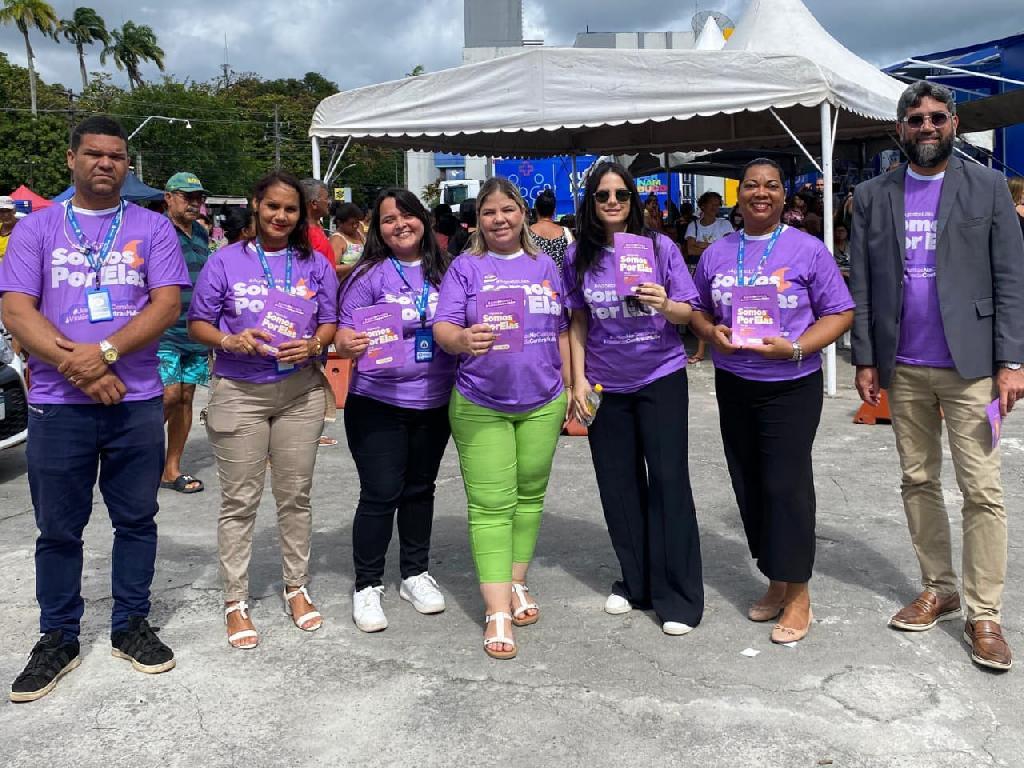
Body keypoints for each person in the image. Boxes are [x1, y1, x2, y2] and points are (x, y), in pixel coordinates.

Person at [1, 116, 188, 702]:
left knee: (136, 519)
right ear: (71, 159)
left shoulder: (152, 227)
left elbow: (165, 304)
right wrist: (76, 366)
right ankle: (58, 636)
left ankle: (131, 624)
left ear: (127, 164)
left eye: (116, 156)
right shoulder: (37, 228)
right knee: (58, 529)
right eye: (93, 154)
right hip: (59, 405)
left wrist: (103, 354)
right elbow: (16, 310)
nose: (105, 163)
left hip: (134, 401)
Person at [851, 81, 1024, 671]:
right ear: (900, 128)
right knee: (918, 479)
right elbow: (864, 282)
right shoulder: (872, 195)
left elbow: (1011, 278)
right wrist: (866, 357)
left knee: (983, 490)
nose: (926, 127)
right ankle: (939, 588)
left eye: (936, 117)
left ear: (955, 124)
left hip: (972, 368)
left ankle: (985, 613)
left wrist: (1012, 362)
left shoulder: (988, 186)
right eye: (915, 119)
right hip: (903, 367)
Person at [689, 157, 854, 645]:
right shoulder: (718, 252)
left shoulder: (808, 249)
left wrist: (798, 347)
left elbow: (840, 311)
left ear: (785, 196)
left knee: (786, 486)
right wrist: (710, 332)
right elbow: (697, 309)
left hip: (790, 385)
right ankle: (776, 578)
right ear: (739, 195)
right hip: (735, 382)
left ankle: (799, 592)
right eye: (752, 186)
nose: (761, 193)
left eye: (772, 186)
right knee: (750, 482)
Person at [187, 170, 339, 649]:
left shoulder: (315, 262)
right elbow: (197, 323)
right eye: (273, 206)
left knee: (295, 497)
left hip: (299, 392)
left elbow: (330, 322)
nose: (281, 216)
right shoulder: (225, 261)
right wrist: (229, 339)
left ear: (301, 214)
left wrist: (314, 344)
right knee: (240, 502)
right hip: (240, 391)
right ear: (256, 204)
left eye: (290, 209)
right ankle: (235, 600)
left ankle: (297, 587)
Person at [563, 160, 703, 637]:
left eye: (620, 194)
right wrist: (577, 382)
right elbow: (578, 321)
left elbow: (687, 314)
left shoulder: (660, 247)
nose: (612, 202)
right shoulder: (578, 254)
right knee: (618, 487)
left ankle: (678, 595)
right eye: (602, 195)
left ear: (633, 200)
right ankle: (636, 582)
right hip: (605, 386)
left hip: (660, 377)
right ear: (591, 202)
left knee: (668, 483)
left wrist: (664, 302)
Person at [433, 177, 570, 660]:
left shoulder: (546, 265)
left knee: (529, 496)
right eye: (489, 212)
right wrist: (461, 340)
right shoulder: (465, 267)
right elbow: (443, 326)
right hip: (481, 401)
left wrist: (570, 386)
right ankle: (496, 611)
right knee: (491, 505)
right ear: (478, 220)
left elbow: (564, 328)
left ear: (522, 213)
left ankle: (516, 582)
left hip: (543, 399)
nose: (499, 219)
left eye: (508, 209)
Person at [335, 188, 456, 632]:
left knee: (420, 489)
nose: (400, 225)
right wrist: (346, 342)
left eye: (407, 215)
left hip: (435, 400)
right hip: (377, 401)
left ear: (423, 219)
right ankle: (367, 584)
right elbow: (342, 333)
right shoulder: (368, 275)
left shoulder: (448, 270)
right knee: (381, 492)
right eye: (389, 219)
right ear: (378, 229)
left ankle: (414, 573)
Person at [157, 172, 211, 494]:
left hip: (195, 331)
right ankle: (137, 459)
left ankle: (171, 468)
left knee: (186, 397)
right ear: (168, 197)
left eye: (198, 198)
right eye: (187, 196)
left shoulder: (202, 233)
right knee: (168, 395)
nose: (194, 203)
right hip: (162, 331)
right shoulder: (156, 230)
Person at [529, 188, 574, 268]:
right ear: (554, 210)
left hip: (536, 276)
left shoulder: (527, 233)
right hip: (560, 276)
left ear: (536, 209)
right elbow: (574, 257)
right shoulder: (566, 232)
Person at [299, 178, 334, 264]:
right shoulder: (307, 234)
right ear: (314, 203)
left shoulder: (316, 227)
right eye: (326, 198)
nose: (329, 202)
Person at [330, 202, 366, 281]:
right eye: (351, 224)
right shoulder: (337, 239)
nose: (355, 226)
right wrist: (355, 266)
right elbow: (333, 268)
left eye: (357, 222)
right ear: (340, 223)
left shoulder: (359, 230)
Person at [0, 195, 17, 262]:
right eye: (1, 211)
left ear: (14, 211)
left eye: (8, 210)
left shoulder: (22, 229)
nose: (5, 215)